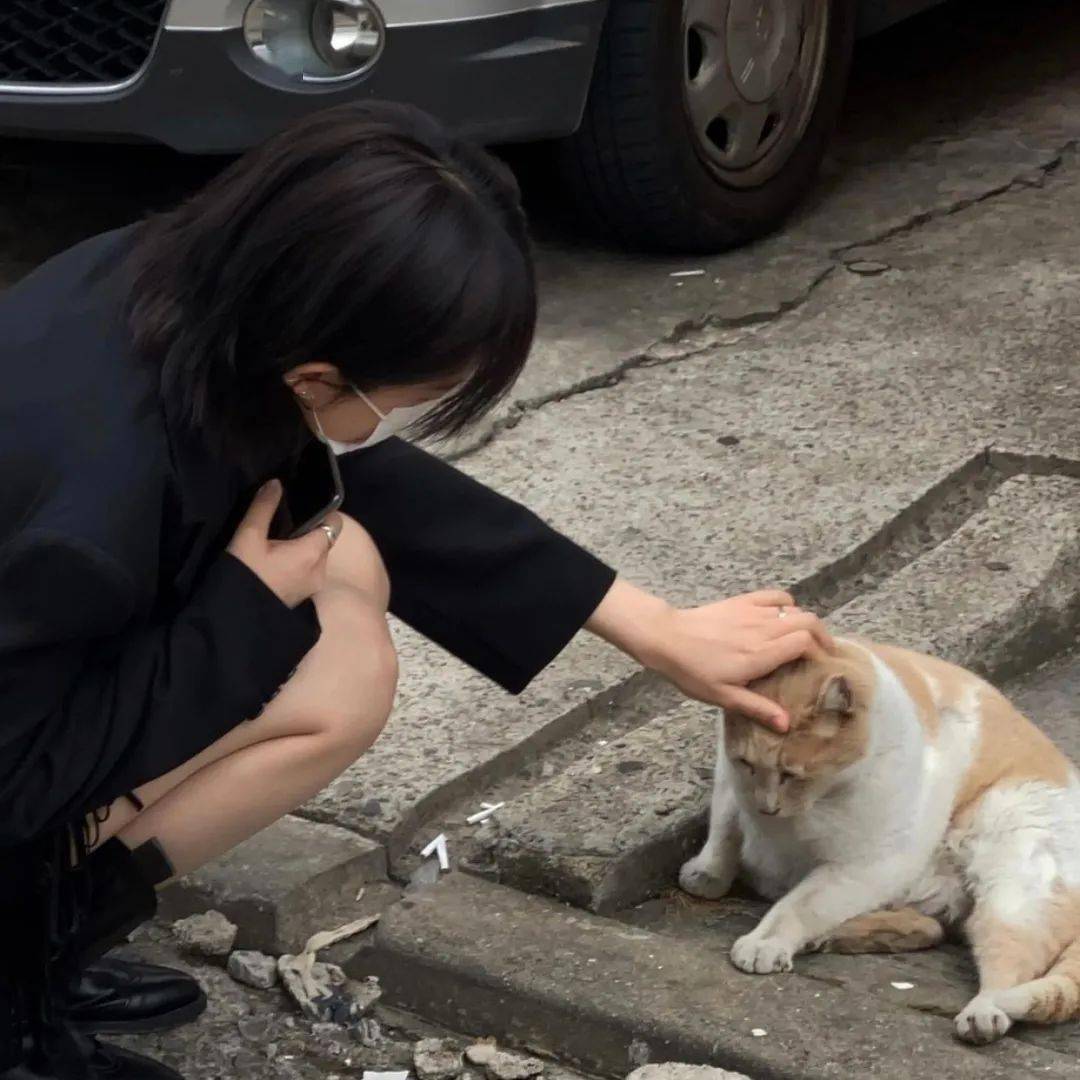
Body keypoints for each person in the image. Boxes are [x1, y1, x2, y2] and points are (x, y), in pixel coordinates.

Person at [0, 101, 832, 1080]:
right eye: (401, 402)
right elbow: (17, 780)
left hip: (40, 676)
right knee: (311, 623)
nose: (394, 425)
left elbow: (345, 473)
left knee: (340, 568)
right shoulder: (89, 511)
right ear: (317, 377)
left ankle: (44, 939)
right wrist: (237, 607)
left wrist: (647, 626)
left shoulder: (184, 281)